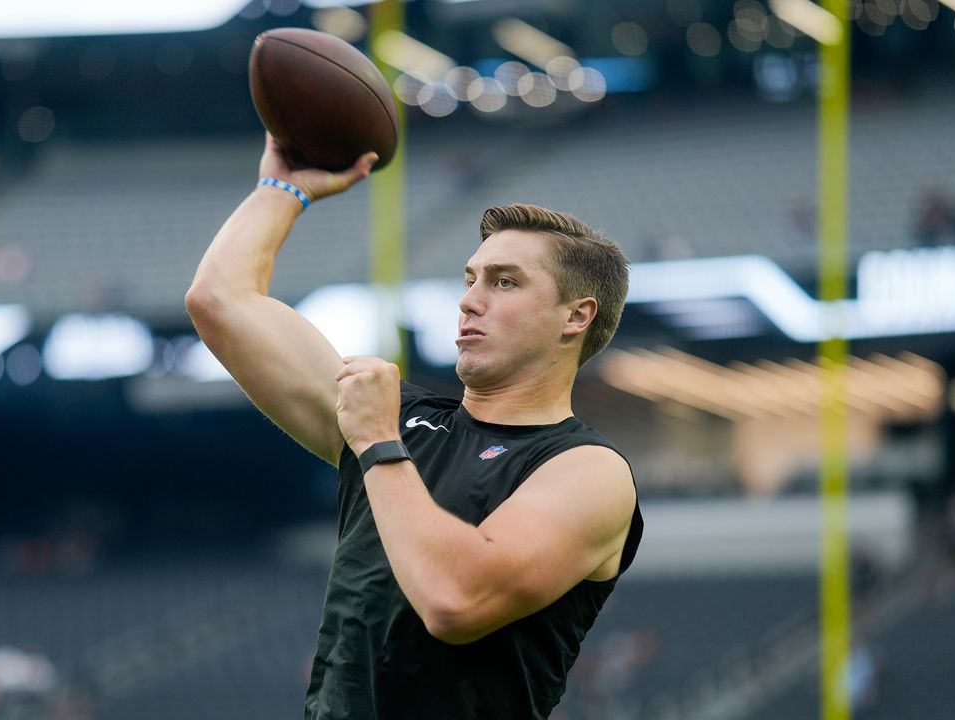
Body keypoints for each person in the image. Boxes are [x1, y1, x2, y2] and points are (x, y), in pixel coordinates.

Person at [186, 135, 644, 719]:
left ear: (577, 316)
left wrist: (378, 442)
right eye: (470, 279)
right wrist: (283, 189)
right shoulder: (398, 420)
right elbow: (219, 300)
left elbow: (456, 600)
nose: (470, 301)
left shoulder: (589, 471)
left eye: (504, 282)